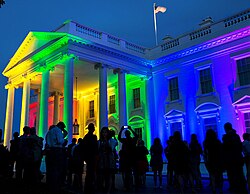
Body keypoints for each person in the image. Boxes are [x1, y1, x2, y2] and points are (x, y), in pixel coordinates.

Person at [222, 122, 247, 193]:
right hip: (238, 158)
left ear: (226, 128)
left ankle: (234, 188)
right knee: (240, 173)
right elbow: (240, 147)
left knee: (231, 174)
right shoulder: (237, 136)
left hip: (230, 160)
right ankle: (242, 188)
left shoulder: (226, 137)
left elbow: (225, 149)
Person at [45, 122, 68, 193]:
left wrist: (64, 134)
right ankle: (56, 186)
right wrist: (64, 140)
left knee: (50, 169)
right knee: (57, 169)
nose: (62, 130)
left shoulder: (49, 132)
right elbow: (60, 141)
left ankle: (50, 185)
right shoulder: (58, 130)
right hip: (57, 151)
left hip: (50, 151)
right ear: (60, 126)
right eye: (62, 128)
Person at [96, 127, 117, 193]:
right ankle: (102, 189)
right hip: (101, 161)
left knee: (109, 176)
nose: (104, 134)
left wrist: (106, 141)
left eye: (105, 132)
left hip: (109, 160)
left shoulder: (112, 141)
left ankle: (108, 191)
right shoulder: (99, 142)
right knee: (101, 176)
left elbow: (112, 148)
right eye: (103, 132)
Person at [118, 125, 138, 191]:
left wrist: (121, 130)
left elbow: (119, 137)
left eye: (126, 133)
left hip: (128, 158)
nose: (126, 134)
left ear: (126, 135)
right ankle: (131, 184)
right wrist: (131, 129)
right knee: (130, 172)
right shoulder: (131, 140)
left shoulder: (126, 140)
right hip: (130, 158)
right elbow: (136, 136)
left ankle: (128, 185)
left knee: (128, 173)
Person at [203, 129, 224, 193]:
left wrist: (206, 160)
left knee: (212, 175)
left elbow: (205, 152)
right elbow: (221, 151)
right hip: (218, 159)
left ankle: (214, 188)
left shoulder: (205, 142)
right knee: (219, 175)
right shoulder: (218, 141)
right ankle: (220, 189)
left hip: (210, 160)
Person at [82, 123, 98, 194]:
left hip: (88, 157)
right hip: (92, 157)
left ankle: (87, 187)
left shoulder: (85, 137)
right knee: (92, 173)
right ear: (93, 129)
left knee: (89, 173)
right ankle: (91, 187)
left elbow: (83, 147)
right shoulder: (93, 137)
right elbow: (95, 147)